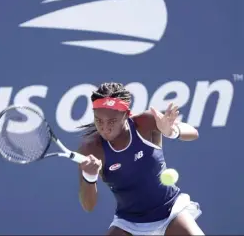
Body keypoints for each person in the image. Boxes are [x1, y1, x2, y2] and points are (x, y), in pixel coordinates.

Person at [77, 82, 204, 236]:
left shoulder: (145, 123)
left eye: (111, 122)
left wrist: (172, 131)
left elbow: (193, 133)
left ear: (126, 114)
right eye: (99, 120)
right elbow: (88, 206)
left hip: (171, 211)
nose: (105, 127)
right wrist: (89, 177)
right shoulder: (91, 148)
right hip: (128, 223)